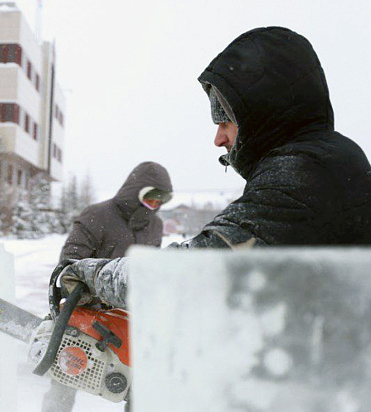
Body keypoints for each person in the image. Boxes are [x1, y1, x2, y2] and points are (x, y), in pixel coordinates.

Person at [60, 26, 371, 312]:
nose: (218, 138)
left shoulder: (302, 173)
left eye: (225, 121)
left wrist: (93, 275)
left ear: (262, 115)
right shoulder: (327, 159)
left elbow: (199, 272)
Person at [18, 161, 172, 412]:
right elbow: (70, 261)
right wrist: (91, 289)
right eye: (151, 196)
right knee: (65, 375)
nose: (155, 204)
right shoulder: (98, 215)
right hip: (87, 311)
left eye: (162, 199)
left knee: (138, 385)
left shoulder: (155, 226)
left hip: (128, 317)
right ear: (134, 190)